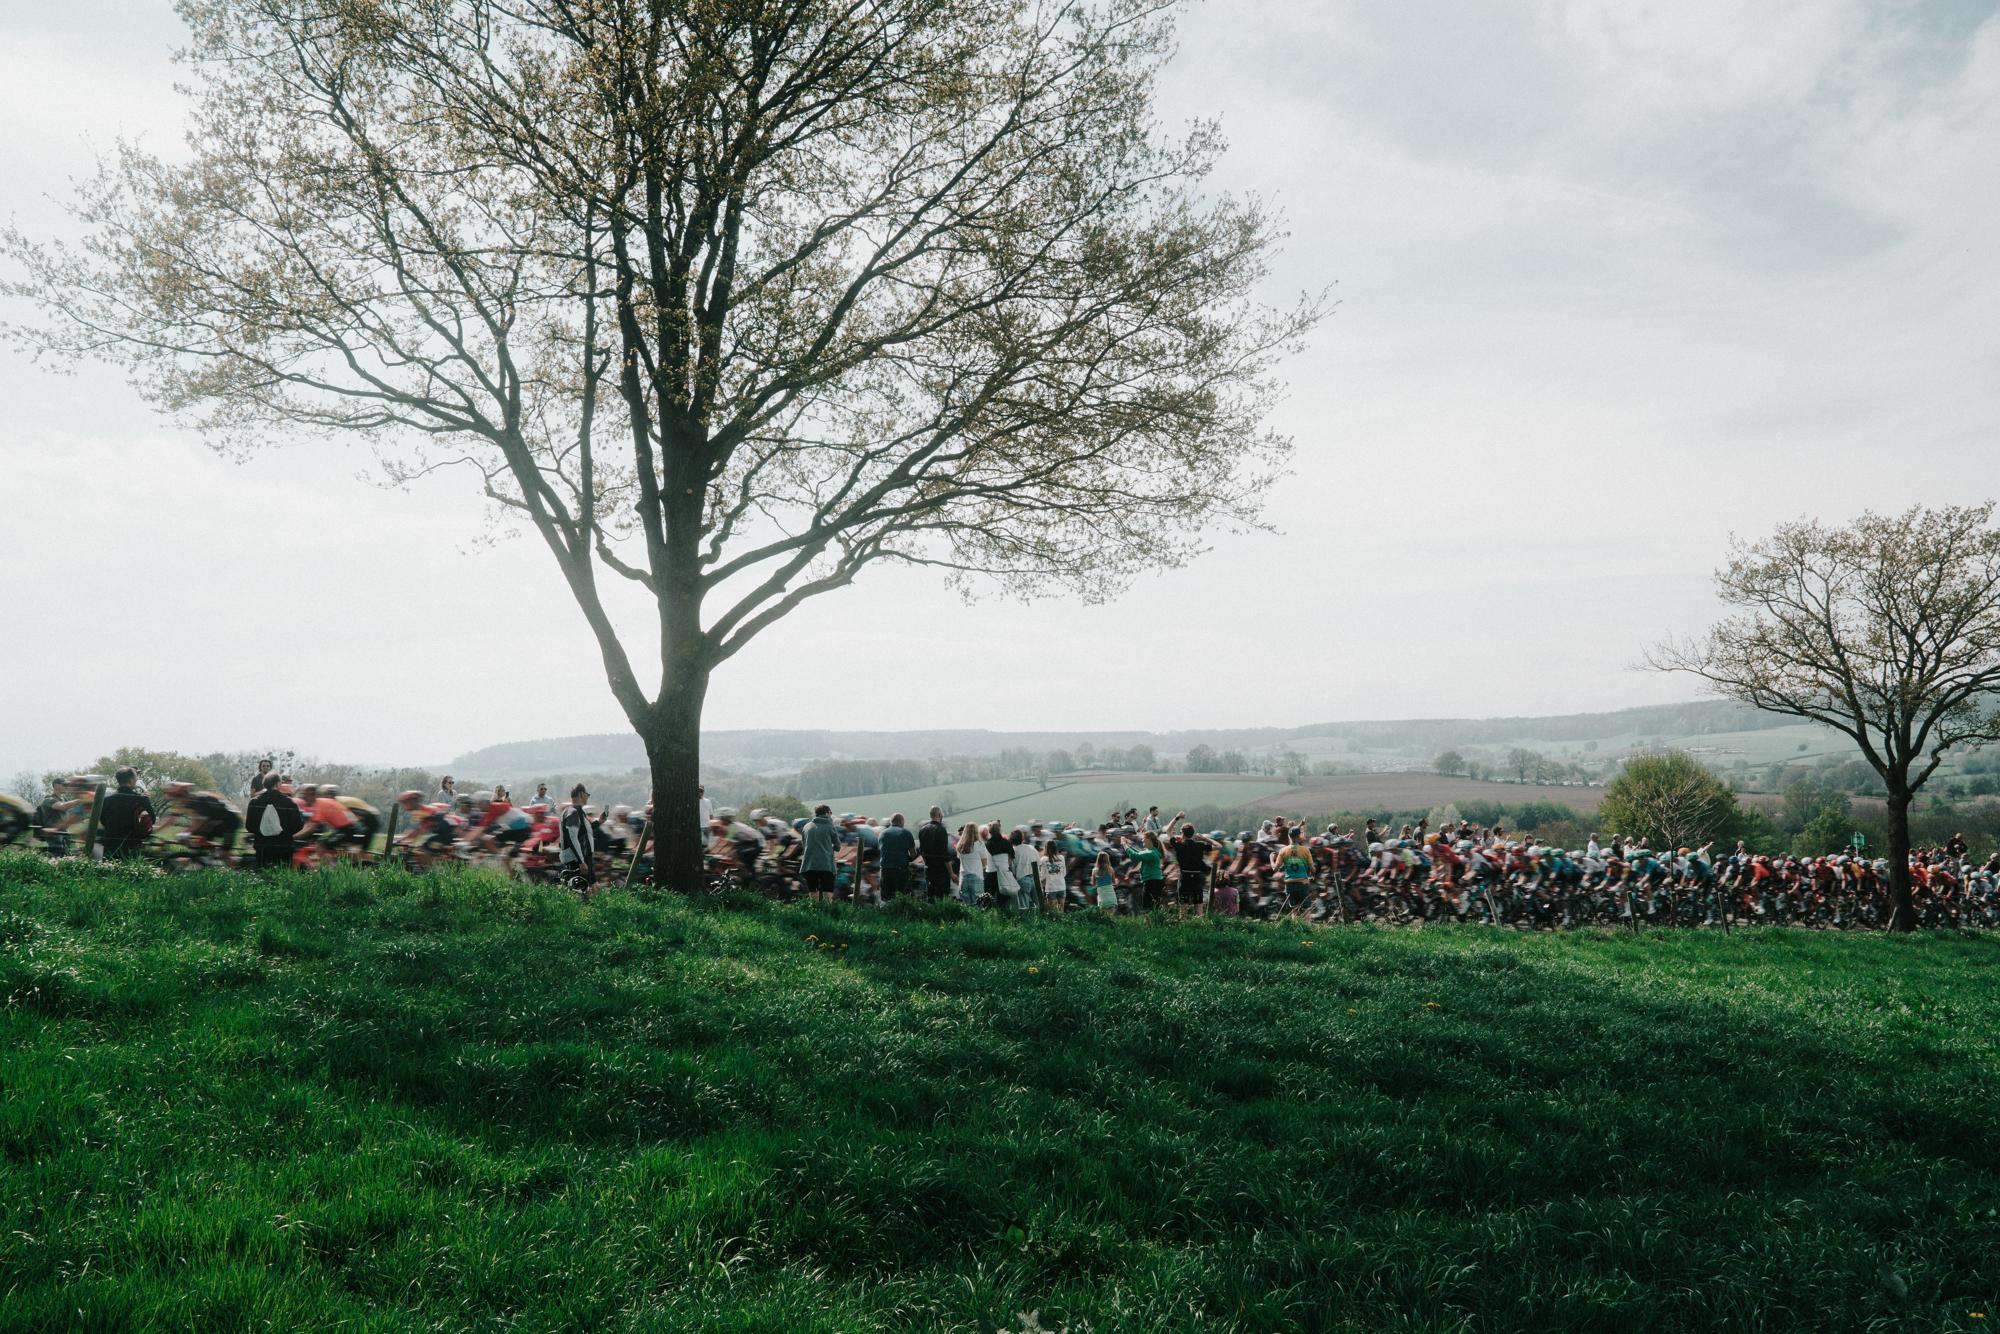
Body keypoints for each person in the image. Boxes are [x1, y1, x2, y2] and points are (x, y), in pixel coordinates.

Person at [246, 772, 303, 869]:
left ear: (265, 785)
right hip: (284, 846)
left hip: (262, 847)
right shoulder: (288, 802)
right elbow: (298, 825)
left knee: (263, 876)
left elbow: (249, 826)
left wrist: (262, 832)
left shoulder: (254, 802)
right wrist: (285, 832)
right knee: (282, 877)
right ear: (278, 784)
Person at [96, 767, 156, 859]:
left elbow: (103, 820)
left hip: (110, 844)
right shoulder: (141, 799)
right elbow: (152, 820)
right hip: (132, 844)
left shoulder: (107, 800)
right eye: (136, 778)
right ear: (131, 780)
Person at [558, 783, 597, 893]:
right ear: (581, 794)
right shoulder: (573, 812)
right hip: (577, 858)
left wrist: (600, 822)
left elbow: (584, 831)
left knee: (593, 888)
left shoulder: (578, 811)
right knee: (586, 890)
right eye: (587, 794)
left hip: (583, 856)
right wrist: (581, 861)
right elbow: (572, 838)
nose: (587, 797)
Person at [800, 804, 839, 900]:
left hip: (809, 864)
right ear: (826, 813)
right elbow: (838, 846)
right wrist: (829, 848)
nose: (831, 815)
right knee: (827, 892)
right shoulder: (830, 826)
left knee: (813, 891)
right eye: (830, 813)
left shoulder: (806, 826)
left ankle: (814, 912)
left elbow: (804, 845)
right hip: (826, 865)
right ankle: (826, 913)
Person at [918, 806, 954, 900]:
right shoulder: (941, 829)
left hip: (928, 868)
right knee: (942, 896)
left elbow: (921, 850)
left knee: (931, 894)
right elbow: (944, 853)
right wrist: (951, 873)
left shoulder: (923, 829)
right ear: (939, 815)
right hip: (941, 869)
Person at [878, 812, 916, 900]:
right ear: (901, 821)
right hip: (901, 870)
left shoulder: (882, 834)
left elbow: (881, 851)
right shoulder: (906, 833)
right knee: (904, 896)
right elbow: (913, 854)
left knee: (887, 897)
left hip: (885, 870)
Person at [1127, 829, 1166, 912]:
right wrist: (1128, 845)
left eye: (1143, 838)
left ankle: (1151, 923)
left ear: (1149, 840)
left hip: (1151, 882)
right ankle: (1156, 922)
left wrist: (1124, 845)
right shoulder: (1152, 851)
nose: (1142, 840)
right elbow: (1139, 853)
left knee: (1148, 908)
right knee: (1154, 906)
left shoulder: (1151, 853)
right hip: (1154, 881)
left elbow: (1135, 856)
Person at [955, 822, 990, 905]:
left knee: (966, 905)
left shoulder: (960, 845)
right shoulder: (979, 844)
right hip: (976, 877)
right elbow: (984, 862)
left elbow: (959, 858)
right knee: (978, 905)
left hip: (963, 878)